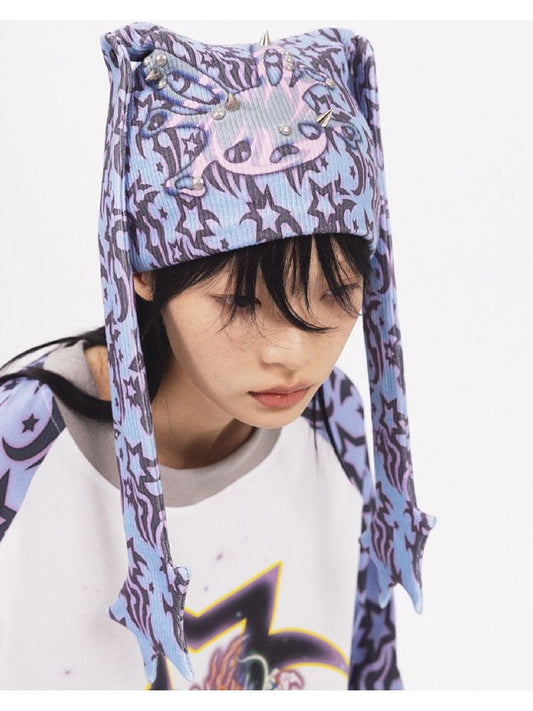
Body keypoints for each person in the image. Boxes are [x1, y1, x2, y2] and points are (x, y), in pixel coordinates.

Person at [0, 22, 436, 690]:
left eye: (337, 293)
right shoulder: (23, 440)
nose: (291, 353)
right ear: (144, 271)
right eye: (240, 302)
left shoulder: (332, 425)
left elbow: (370, 675)